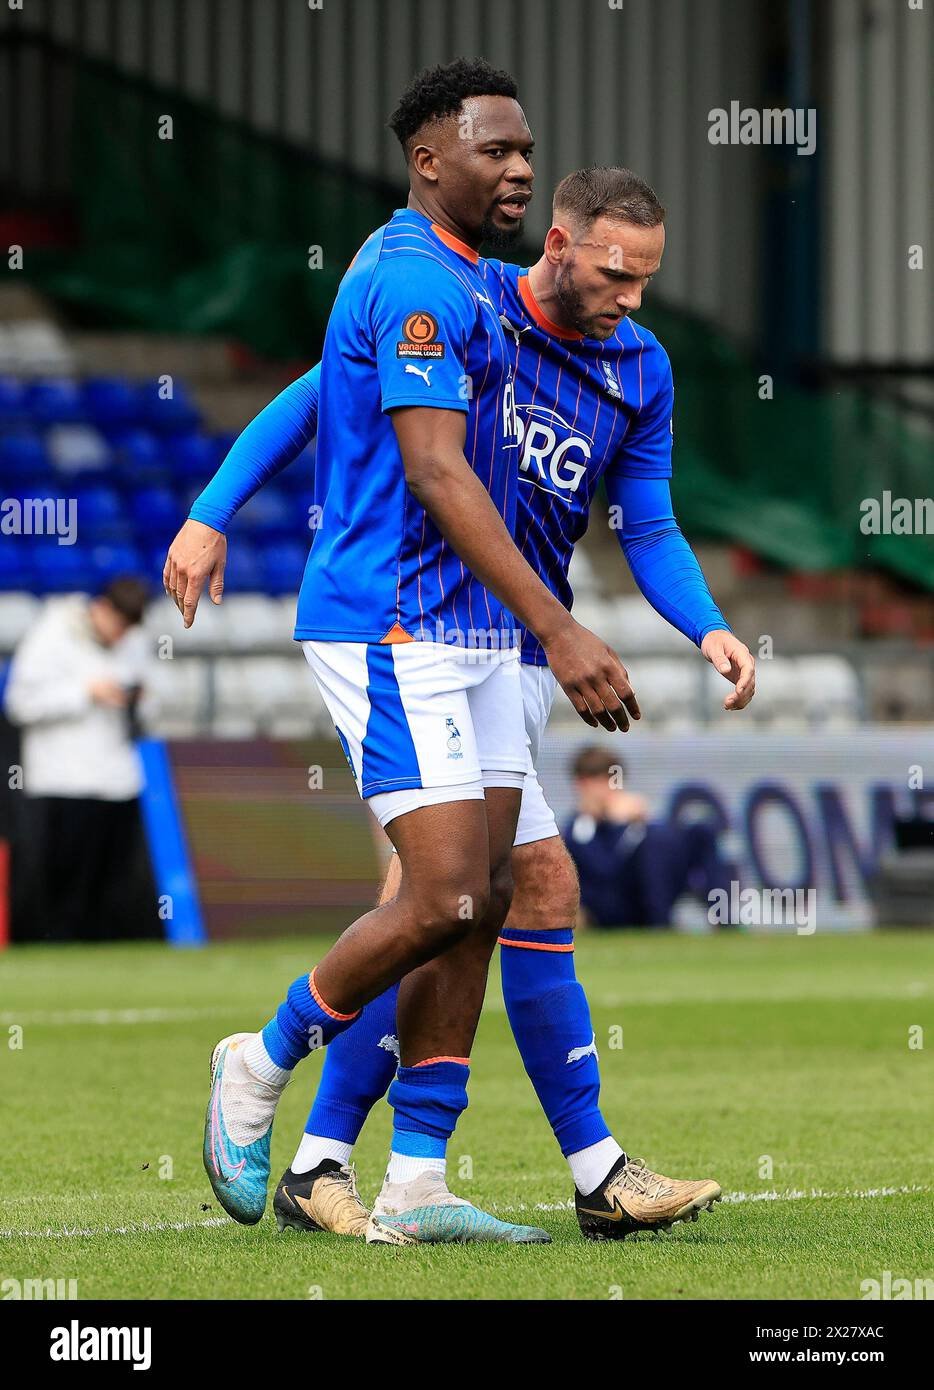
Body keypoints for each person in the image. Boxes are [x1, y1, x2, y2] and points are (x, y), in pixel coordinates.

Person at [177, 164, 755, 1241]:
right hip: (409, 627)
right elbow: (319, 396)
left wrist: (708, 624)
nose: (632, 296)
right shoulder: (463, 300)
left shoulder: (640, 367)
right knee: (455, 891)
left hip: (509, 649)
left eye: (648, 278)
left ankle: (391, 1172)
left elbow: (648, 522)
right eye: (617, 273)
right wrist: (213, 510)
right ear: (561, 243)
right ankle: (277, 1082)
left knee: (506, 890)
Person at [3, 576, 157, 942]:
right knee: (62, 882)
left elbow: (154, 700)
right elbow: (19, 704)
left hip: (118, 780)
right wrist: (86, 694)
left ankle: (102, 949)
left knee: (111, 884)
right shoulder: (52, 633)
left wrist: (138, 699)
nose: (121, 637)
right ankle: (55, 945)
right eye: (117, 626)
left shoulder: (135, 640)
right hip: (63, 781)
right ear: (102, 608)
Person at [565, 746, 733, 928]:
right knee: (654, 844)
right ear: (582, 784)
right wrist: (623, 825)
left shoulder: (631, 820)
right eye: (600, 782)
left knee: (699, 832)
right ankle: (660, 924)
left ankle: (724, 919)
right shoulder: (579, 826)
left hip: (651, 885)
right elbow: (606, 869)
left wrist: (642, 822)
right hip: (617, 905)